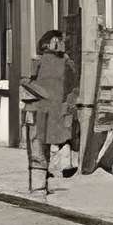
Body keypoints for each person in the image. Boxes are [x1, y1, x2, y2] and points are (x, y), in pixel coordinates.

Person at [24, 29, 80, 175]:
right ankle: (46, 168)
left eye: (62, 41)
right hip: (43, 105)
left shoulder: (65, 60)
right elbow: (30, 81)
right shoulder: (39, 60)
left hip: (59, 104)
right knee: (45, 138)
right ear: (47, 44)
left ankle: (65, 166)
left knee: (63, 136)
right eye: (57, 41)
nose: (61, 44)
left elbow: (73, 76)